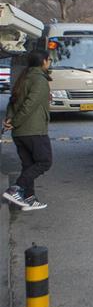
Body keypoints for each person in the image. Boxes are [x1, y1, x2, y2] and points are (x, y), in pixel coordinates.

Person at [2, 50, 53, 211]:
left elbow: (12, 101)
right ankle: (15, 189)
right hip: (34, 130)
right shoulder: (39, 80)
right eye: (49, 60)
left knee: (28, 165)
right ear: (44, 61)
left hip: (20, 133)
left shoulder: (23, 77)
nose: (50, 62)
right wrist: (15, 122)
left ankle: (29, 198)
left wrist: (10, 120)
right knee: (45, 162)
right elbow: (29, 105)